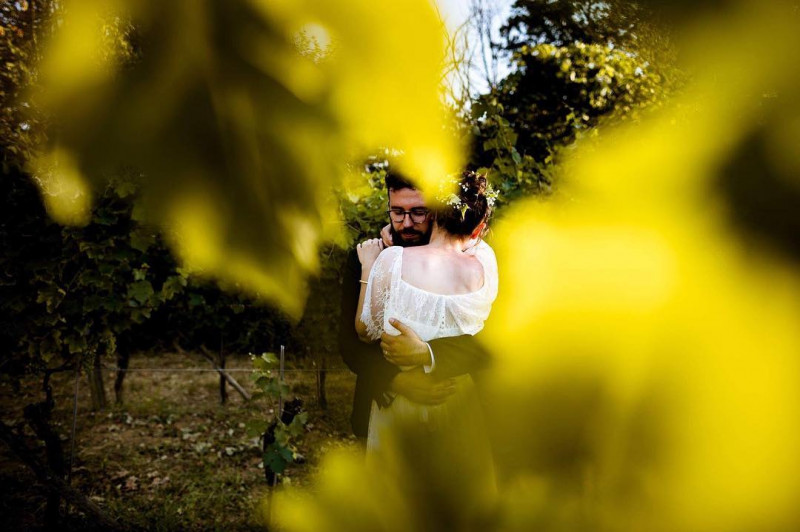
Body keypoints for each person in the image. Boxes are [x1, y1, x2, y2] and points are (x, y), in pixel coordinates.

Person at [338, 169, 492, 441]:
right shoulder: (367, 256)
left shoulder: (474, 259)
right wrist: (396, 381)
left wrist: (428, 354)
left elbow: (489, 340)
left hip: (454, 410)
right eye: (397, 212)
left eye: (418, 212)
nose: (406, 224)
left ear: (436, 210)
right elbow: (349, 343)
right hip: (384, 409)